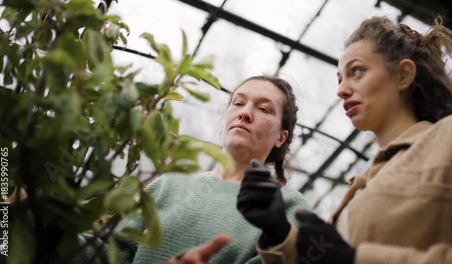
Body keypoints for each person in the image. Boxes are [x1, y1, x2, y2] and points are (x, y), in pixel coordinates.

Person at [247, 16, 452, 263]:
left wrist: (355, 259)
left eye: (356, 71)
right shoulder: (357, 192)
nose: (341, 90)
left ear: (403, 74)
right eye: (340, 79)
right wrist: (278, 231)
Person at [113, 75, 308, 264]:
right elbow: (111, 252)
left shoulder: (286, 205)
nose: (245, 113)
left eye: (264, 108)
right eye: (238, 103)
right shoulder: (168, 184)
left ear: (280, 137)